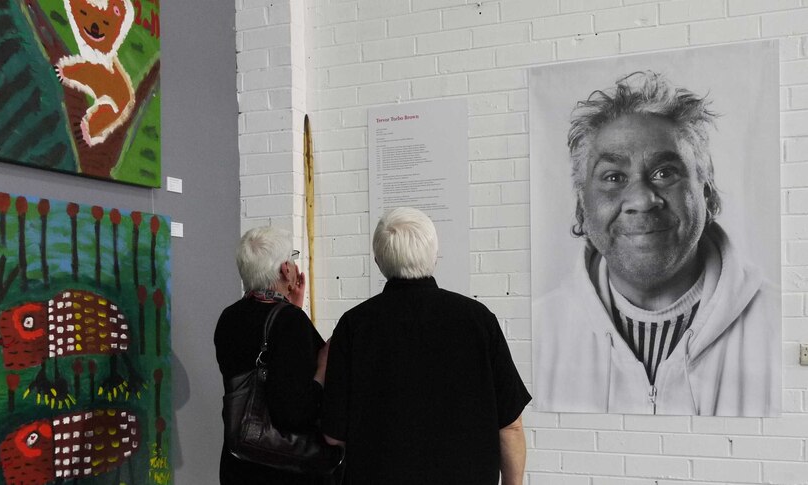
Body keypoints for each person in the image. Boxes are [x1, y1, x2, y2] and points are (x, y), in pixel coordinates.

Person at [534, 71, 780, 416]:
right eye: (614, 177)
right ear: (581, 206)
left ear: (706, 193)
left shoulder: (779, 323)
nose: (642, 199)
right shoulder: (539, 331)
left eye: (665, 173)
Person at [322, 207, 531, 485]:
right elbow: (511, 426)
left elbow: (333, 435)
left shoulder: (354, 326)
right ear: (434, 255)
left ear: (378, 261)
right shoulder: (478, 320)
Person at [215, 226, 331, 484]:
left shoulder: (228, 317)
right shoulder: (290, 322)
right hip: (280, 467)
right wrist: (322, 367)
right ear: (285, 269)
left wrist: (292, 309)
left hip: (239, 463)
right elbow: (295, 412)